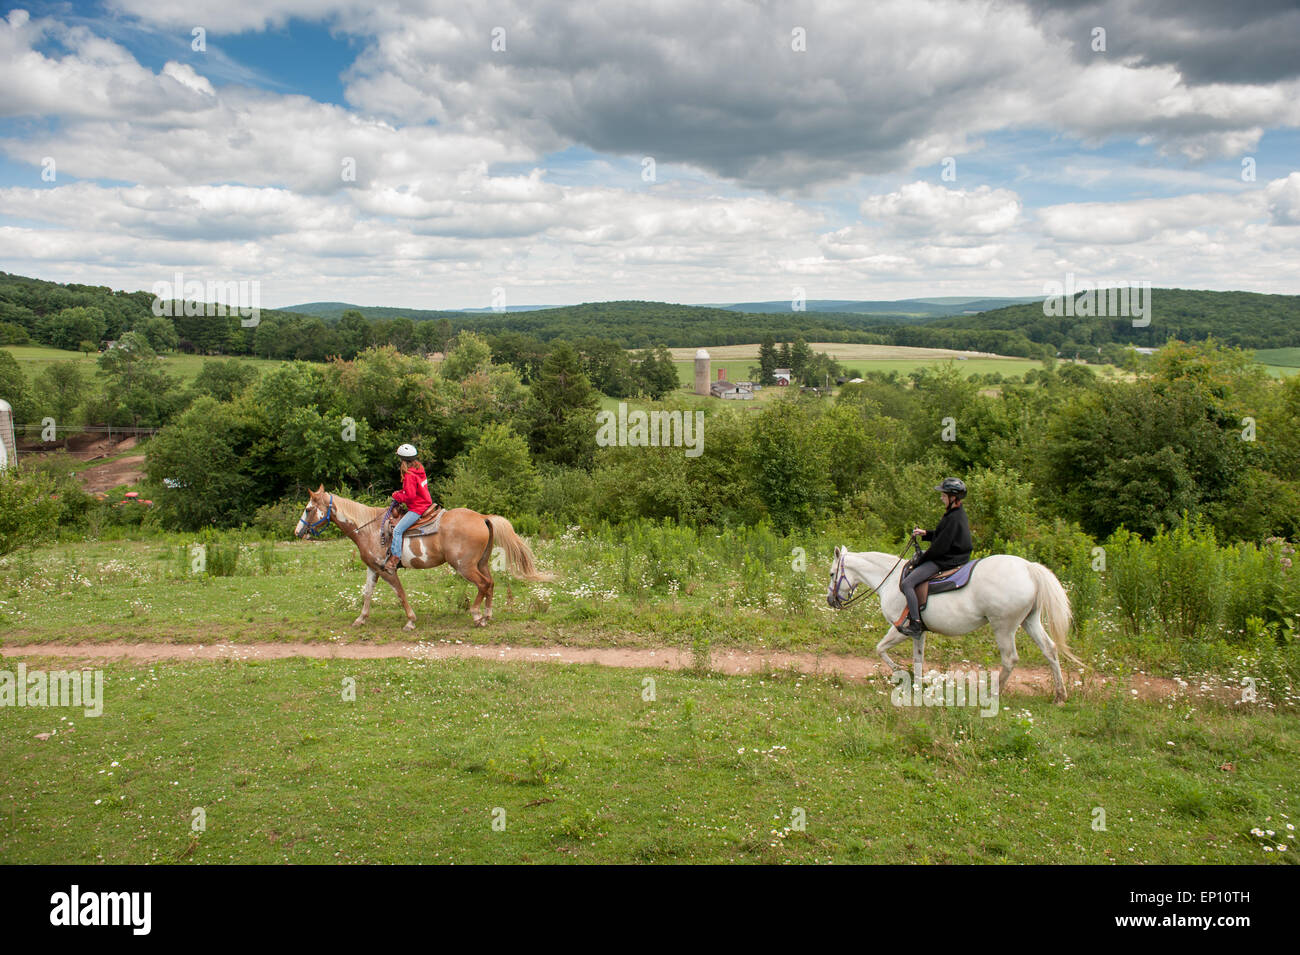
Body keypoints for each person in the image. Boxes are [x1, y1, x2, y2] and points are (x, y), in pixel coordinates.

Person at [898, 477, 971, 637]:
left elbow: (940, 547)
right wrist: (926, 534)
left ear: (953, 498)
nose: (941, 497)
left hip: (947, 559)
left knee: (908, 583)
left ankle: (915, 624)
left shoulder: (953, 517)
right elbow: (943, 535)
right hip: (953, 555)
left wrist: (921, 560)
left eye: (944, 495)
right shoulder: (955, 513)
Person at [383, 443, 433, 573]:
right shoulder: (419, 468)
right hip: (425, 502)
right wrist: (402, 492)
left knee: (398, 530)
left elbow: (410, 496)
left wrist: (397, 496)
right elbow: (412, 490)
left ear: (402, 460)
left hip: (418, 507)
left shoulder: (409, 474)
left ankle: (394, 559)